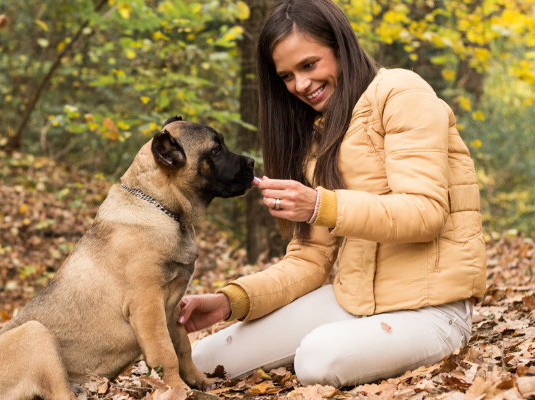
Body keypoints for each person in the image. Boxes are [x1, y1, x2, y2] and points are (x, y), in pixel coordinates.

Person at [177, 0, 486, 388]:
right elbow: (310, 259)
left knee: (318, 359)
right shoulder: (316, 137)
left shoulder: (401, 93)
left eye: (309, 65)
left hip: (432, 310)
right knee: (200, 360)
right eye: (287, 76)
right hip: (351, 303)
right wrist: (230, 301)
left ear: (341, 47)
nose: (300, 85)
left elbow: (425, 213)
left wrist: (320, 205)